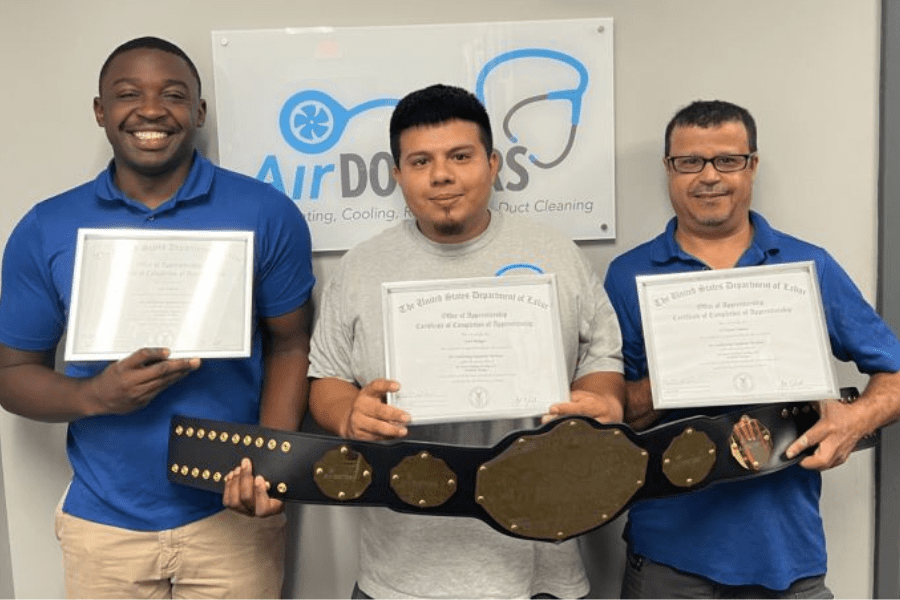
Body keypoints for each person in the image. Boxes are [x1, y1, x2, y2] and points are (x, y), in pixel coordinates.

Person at [225, 83, 625, 598]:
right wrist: (350, 414)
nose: (441, 175)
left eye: (460, 156)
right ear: (396, 174)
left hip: (537, 568)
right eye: (420, 161)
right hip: (399, 574)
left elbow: (602, 356)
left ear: (493, 163)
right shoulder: (361, 267)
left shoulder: (556, 254)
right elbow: (326, 377)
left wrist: (600, 401)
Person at [0, 36, 314, 598]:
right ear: (100, 111)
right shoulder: (48, 226)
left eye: (173, 94)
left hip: (231, 515)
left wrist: (269, 467)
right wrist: (97, 395)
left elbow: (291, 345)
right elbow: (11, 372)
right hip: (103, 523)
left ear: (198, 112)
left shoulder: (266, 213)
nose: (150, 109)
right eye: (127, 94)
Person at [603, 99, 900, 599]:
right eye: (690, 162)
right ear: (669, 170)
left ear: (752, 165)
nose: (709, 177)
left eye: (728, 160)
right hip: (668, 556)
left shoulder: (808, 265)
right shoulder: (629, 274)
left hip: (788, 554)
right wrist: (689, 371)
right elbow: (612, 416)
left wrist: (854, 420)